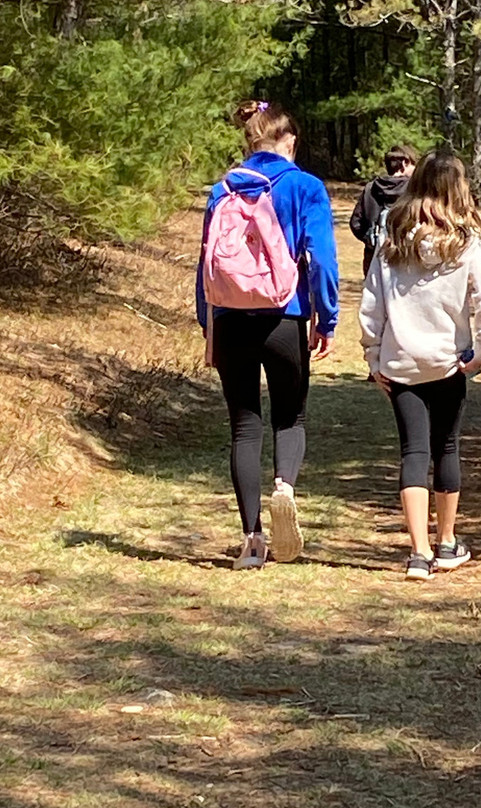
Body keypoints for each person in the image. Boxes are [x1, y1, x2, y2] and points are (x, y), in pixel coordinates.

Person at [195, 100, 339, 571]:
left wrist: (208, 321)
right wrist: (326, 316)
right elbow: (320, 260)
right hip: (285, 314)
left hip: (231, 317)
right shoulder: (305, 187)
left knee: (244, 425)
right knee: (290, 417)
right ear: (289, 143)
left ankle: (252, 540)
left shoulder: (222, 191)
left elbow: (206, 265)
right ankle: (285, 488)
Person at [358, 150, 481, 581]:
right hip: (448, 364)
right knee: (446, 448)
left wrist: (372, 355)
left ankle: (418, 554)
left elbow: (372, 307)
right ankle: (446, 542)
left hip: (400, 363)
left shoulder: (393, 242)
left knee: (412, 451)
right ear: (459, 190)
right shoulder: (467, 244)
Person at [350, 145, 418, 277]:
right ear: (404, 163)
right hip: (405, 259)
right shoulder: (414, 190)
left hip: (373, 259)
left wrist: (370, 241)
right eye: (413, 164)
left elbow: (356, 223)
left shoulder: (370, 188)